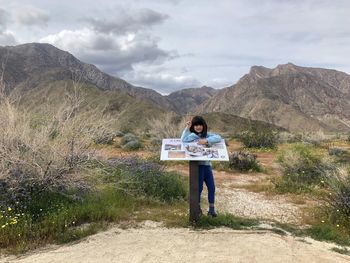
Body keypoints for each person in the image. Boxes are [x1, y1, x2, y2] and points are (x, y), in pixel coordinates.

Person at [181, 116, 222, 217]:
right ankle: (197, 209)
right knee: (198, 189)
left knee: (211, 187)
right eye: (196, 125)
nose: (198, 127)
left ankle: (212, 210)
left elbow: (218, 137)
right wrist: (187, 128)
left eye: (200, 125)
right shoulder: (192, 136)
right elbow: (183, 139)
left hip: (207, 166)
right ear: (193, 126)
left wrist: (207, 141)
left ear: (204, 126)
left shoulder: (207, 135)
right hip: (198, 167)